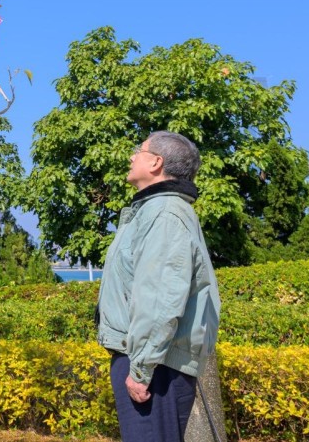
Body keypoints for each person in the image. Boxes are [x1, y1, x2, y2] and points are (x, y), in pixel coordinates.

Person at [97, 131, 221, 442]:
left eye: (138, 151)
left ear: (156, 162)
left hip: (154, 365)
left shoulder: (164, 213)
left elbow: (159, 300)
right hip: (151, 359)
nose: (131, 157)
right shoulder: (155, 210)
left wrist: (141, 370)